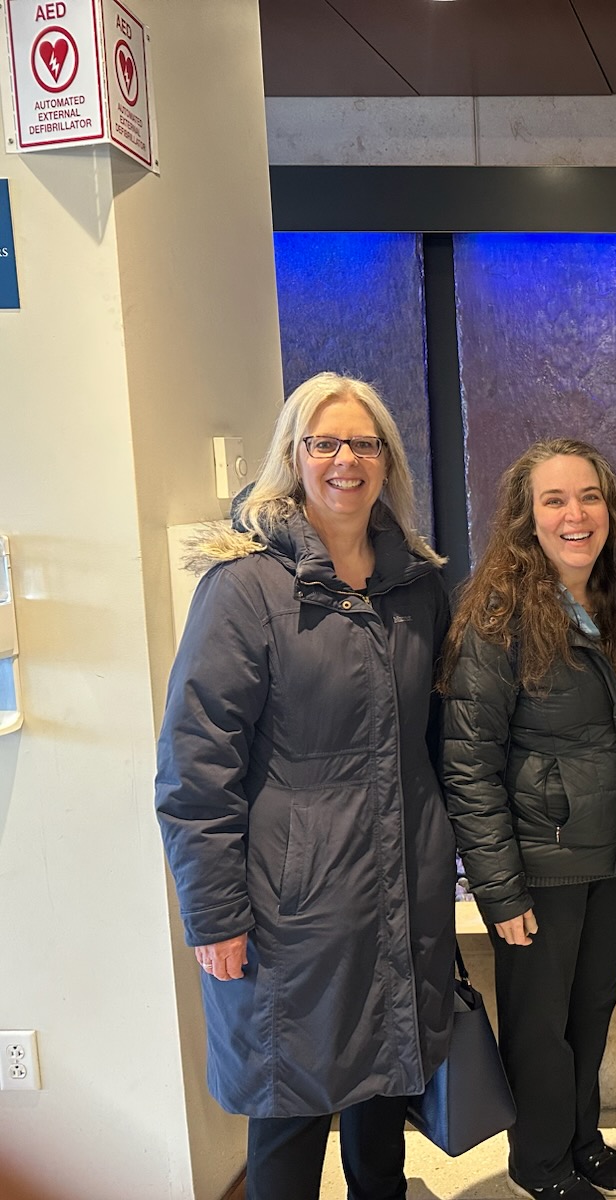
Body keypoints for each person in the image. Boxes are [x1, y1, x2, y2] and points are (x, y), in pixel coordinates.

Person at [155, 373, 454, 1200]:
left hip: (398, 893)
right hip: (295, 909)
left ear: (387, 461)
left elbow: (429, 742)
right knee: (287, 1122)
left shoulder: (417, 586)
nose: (345, 461)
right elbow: (194, 766)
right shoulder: (246, 587)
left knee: (381, 1115)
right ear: (294, 457)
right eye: (325, 443)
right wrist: (214, 914)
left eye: (364, 444)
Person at [439, 439, 616, 1200]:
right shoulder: (497, 614)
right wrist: (501, 891)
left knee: (589, 1014)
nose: (575, 514)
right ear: (526, 517)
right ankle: (538, 1163)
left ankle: (579, 1138)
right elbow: (467, 761)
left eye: (589, 497)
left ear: (609, 508)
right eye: (555, 500)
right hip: (540, 862)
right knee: (539, 1028)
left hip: (611, 854)